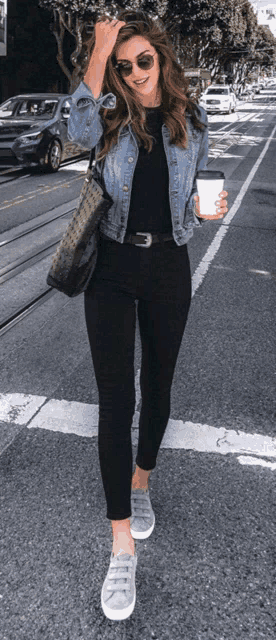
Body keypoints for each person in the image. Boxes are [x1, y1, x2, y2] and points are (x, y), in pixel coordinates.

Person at [68, 9, 228, 621]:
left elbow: (197, 183)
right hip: (110, 266)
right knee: (115, 400)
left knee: (157, 385)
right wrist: (97, 50)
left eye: (142, 60)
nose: (133, 73)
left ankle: (141, 482)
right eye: (122, 63)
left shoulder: (194, 117)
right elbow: (77, 128)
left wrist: (201, 207)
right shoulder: (107, 115)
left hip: (167, 266)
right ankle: (119, 548)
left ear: (161, 58)